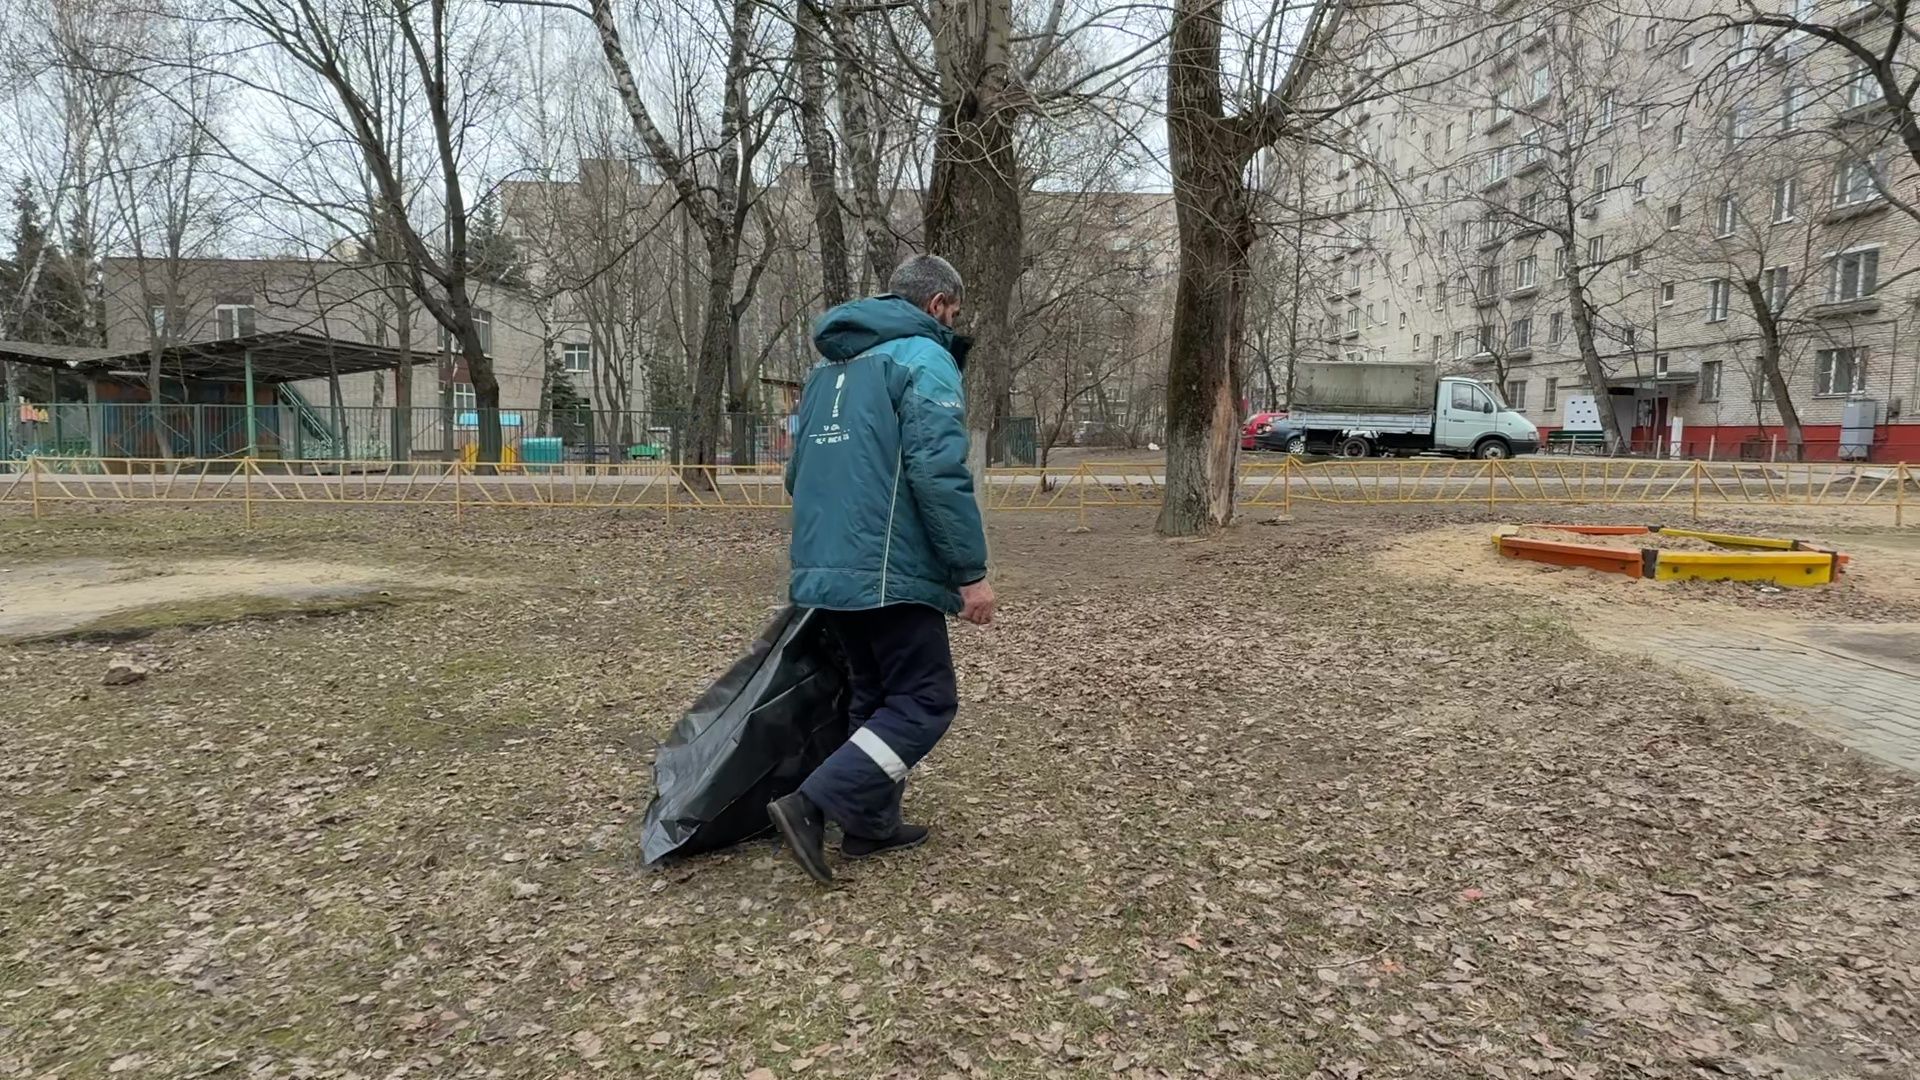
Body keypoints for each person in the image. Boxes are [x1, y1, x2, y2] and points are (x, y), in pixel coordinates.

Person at [767, 254, 995, 885]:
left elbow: (795, 475)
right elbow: (939, 472)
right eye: (954, 312)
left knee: (873, 695)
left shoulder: (825, 373)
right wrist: (970, 572)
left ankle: (869, 824)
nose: (954, 322)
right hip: (890, 568)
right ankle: (812, 804)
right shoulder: (925, 360)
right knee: (925, 699)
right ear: (938, 307)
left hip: (824, 567)